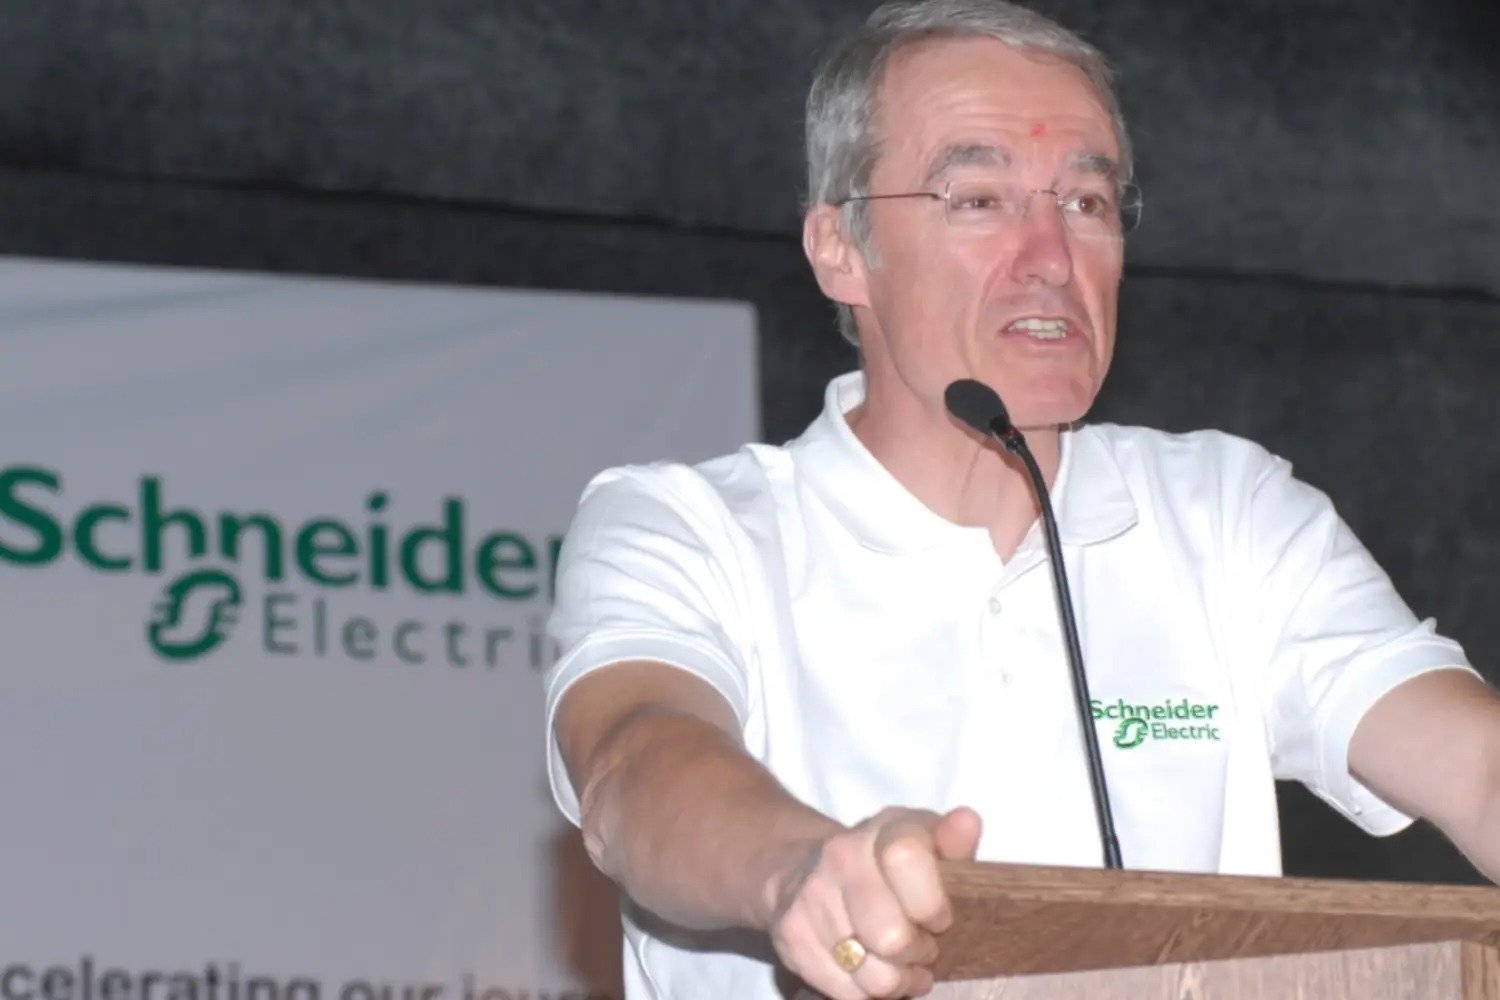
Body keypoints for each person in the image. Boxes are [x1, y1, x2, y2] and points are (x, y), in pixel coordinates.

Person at [542, 2, 1500, 998]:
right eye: (978, 199)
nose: (1052, 257)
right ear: (840, 248)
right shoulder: (687, 528)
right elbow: (636, 767)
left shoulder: (1229, 511)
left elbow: (1475, 765)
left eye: (1086, 204)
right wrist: (799, 871)